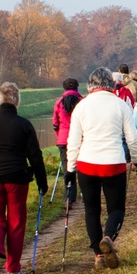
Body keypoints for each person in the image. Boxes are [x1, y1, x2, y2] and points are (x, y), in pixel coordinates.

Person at [67, 67, 137, 270]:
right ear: (111, 84)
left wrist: (70, 168)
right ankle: (109, 237)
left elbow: (73, 141)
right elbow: (132, 138)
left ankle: (98, 255)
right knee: (116, 208)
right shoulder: (120, 105)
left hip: (87, 163)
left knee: (91, 210)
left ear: (90, 85)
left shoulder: (81, 107)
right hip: (113, 163)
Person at [0, 82, 49, 274]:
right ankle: (13, 267)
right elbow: (35, 155)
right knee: (16, 222)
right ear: (17, 101)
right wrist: (42, 181)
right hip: (17, 178)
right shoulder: (24, 124)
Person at [53, 77, 83, 207]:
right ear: (77, 88)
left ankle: (69, 198)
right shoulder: (82, 102)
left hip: (63, 139)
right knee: (82, 167)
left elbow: (55, 124)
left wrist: (59, 136)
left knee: (67, 169)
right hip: (80, 139)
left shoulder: (59, 103)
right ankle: (85, 194)